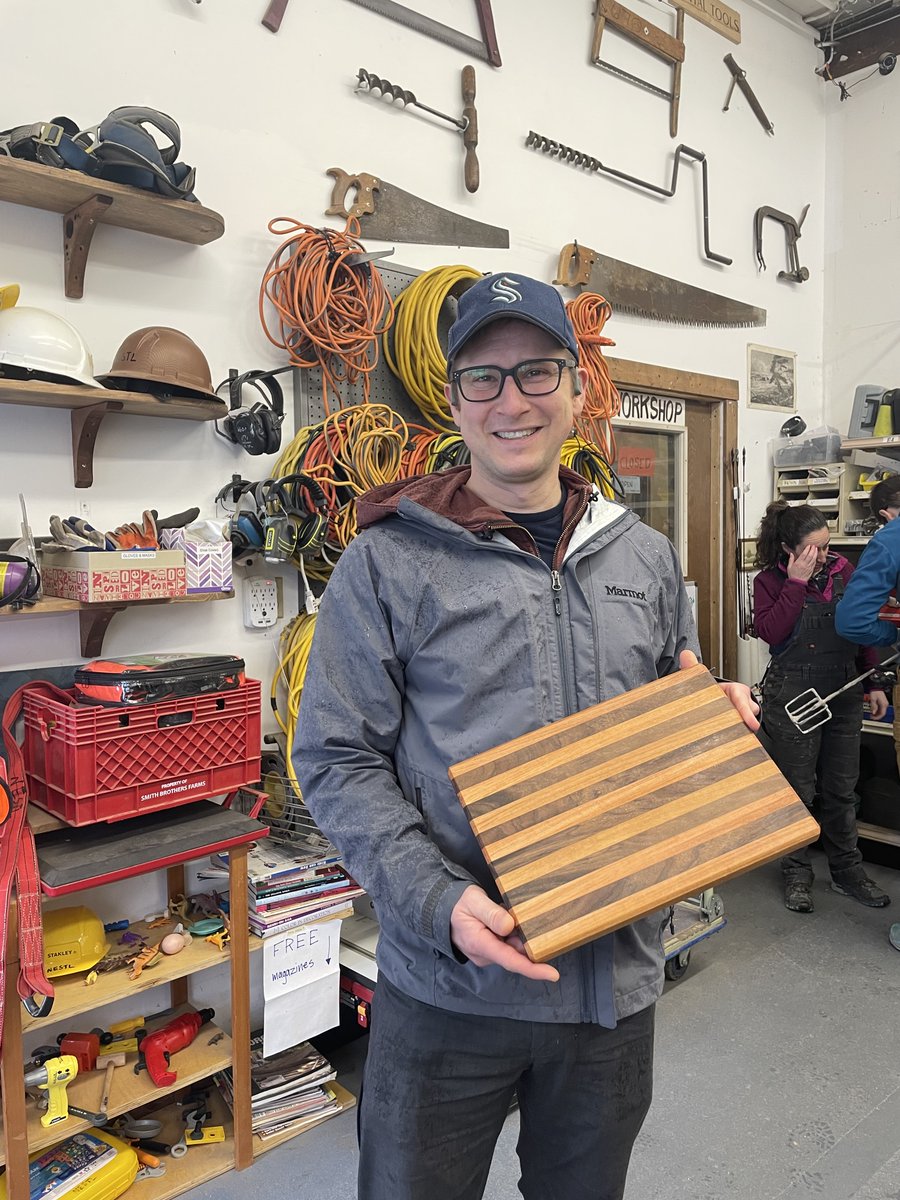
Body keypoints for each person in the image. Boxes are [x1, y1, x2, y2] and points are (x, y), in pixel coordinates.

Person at [294, 272, 758, 1200]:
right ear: (453, 396)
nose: (512, 401)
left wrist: (710, 733)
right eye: (484, 378)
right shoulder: (389, 558)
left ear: (578, 388)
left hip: (612, 987)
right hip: (448, 989)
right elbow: (335, 759)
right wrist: (437, 903)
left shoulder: (644, 555)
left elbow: (667, 717)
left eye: (538, 372)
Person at [753, 500, 890, 913]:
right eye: (814, 549)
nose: (825, 556)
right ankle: (796, 871)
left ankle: (847, 871)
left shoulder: (844, 573)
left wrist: (875, 681)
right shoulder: (768, 581)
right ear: (788, 549)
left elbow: (862, 626)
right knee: (798, 790)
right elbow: (771, 633)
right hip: (793, 692)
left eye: (827, 546)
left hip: (845, 687)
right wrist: (795, 583)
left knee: (841, 788)